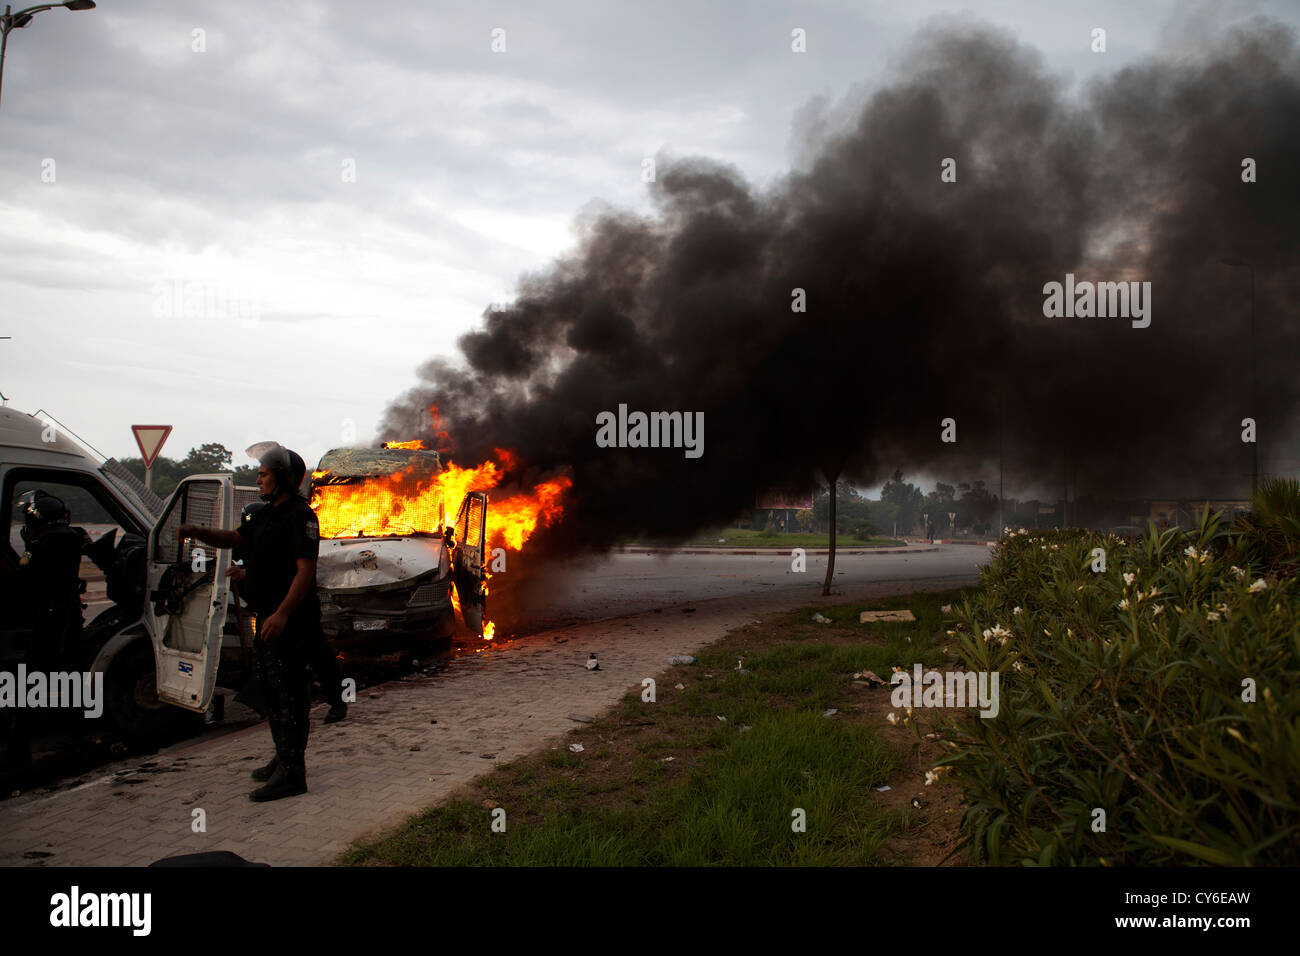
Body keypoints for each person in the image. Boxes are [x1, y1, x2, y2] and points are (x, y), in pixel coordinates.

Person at [178, 444, 319, 802]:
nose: (258, 478)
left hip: (290, 622)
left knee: (290, 695)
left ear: (284, 478)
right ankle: (281, 757)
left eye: (264, 473)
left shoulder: (301, 516)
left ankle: (293, 772)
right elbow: (236, 539)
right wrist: (200, 532)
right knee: (271, 692)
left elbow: (305, 572)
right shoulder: (264, 515)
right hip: (267, 617)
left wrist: (283, 614)